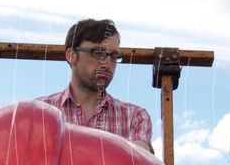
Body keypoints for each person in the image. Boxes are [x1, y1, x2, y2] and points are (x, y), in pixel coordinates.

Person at [39, 18, 153, 153]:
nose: (108, 64)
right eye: (98, 53)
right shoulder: (39, 113)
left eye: (114, 56)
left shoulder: (135, 117)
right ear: (71, 55)